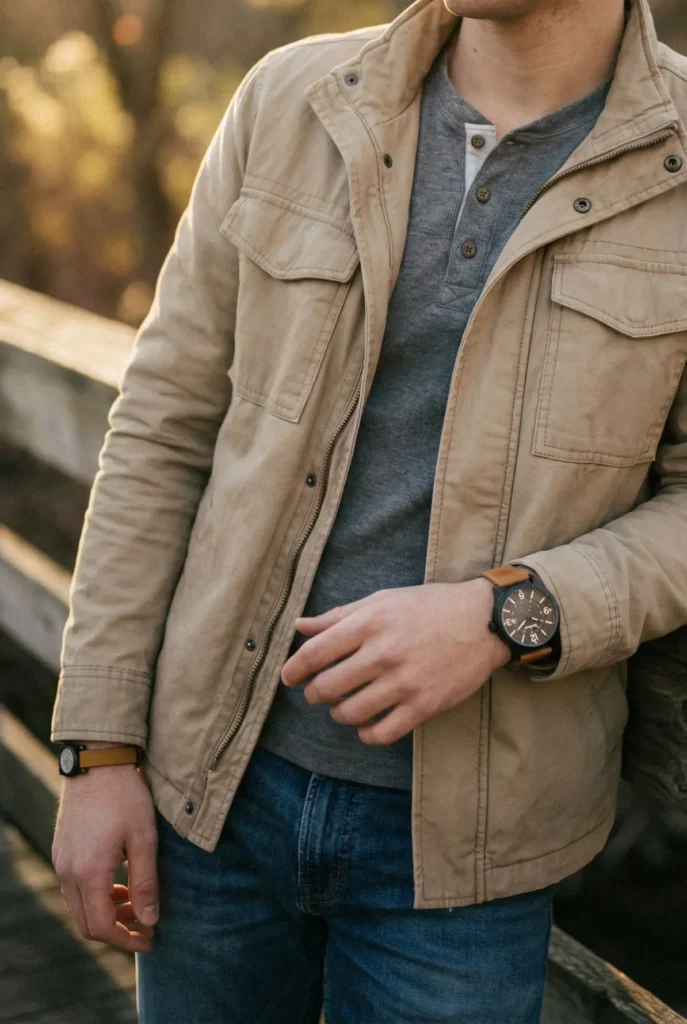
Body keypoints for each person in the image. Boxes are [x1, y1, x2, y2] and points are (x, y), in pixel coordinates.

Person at [50, 0, 687, 1020]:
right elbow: (163, 430)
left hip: (465, 860)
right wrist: (99, 748)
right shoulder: (290, 101)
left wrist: (505, 613)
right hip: (211, 796)